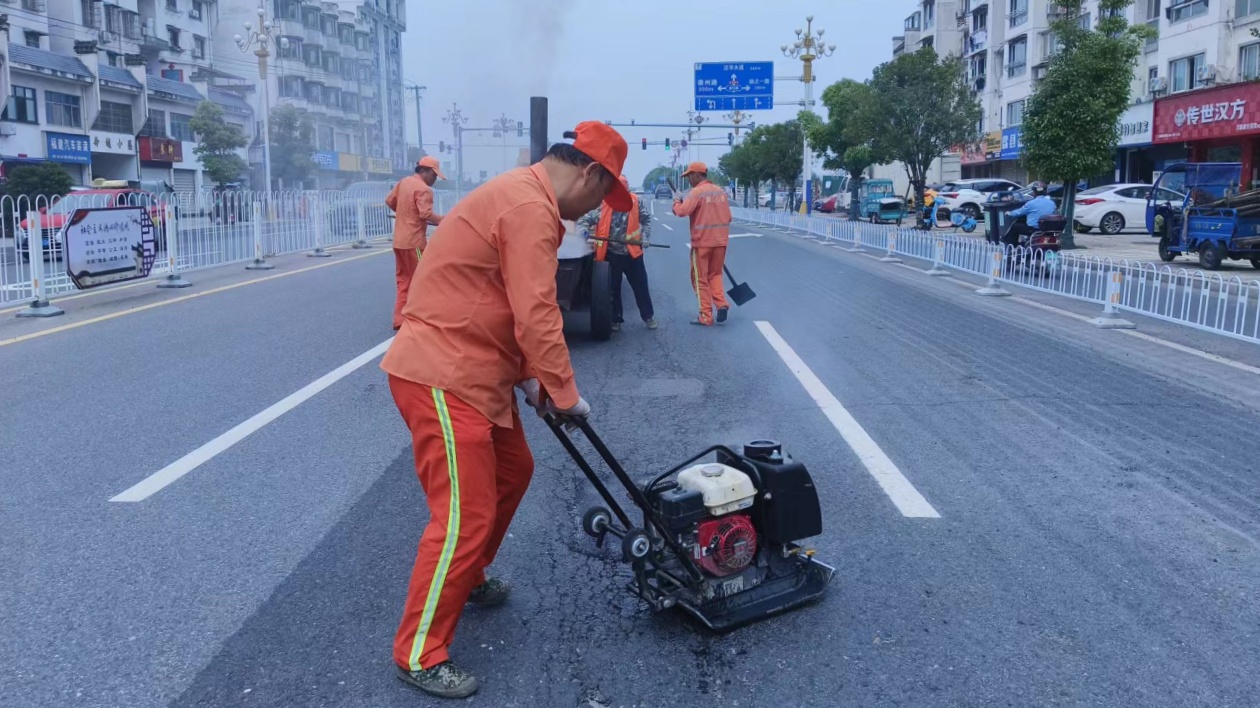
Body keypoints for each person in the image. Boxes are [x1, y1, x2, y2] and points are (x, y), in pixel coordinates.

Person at [379, 121, 632, 700]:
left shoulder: (526, 198)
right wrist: (563, 393)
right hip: (444, 375)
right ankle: (419, 652)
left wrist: (531, 380)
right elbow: (537, 312)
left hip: (479, 372)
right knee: (463, 518)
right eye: (604, 194)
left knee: (515, 470)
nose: (598, 209)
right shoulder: (528, 206)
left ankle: (467, 575)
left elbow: (495, 301)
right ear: (591, 174)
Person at [578, 175, 656, 331]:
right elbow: (585, 220)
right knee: (613, 289)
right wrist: (584, 231)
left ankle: (648, 317)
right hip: (611, 253)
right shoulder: (603, 203)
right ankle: (616, 320)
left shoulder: (635, 202)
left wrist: (646, 236)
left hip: (632, 253)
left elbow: (646, 219)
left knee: (640, 286)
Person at [384, 156, 445, 330]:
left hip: (399, 243)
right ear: (424, 171)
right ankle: (422, 318)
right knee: (421, 280)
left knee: (403, 281)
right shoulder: (424, 189)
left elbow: (389, 201)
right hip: (414, 244)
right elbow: (425, 214)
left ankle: (399, 319)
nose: (435, 179)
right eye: (434, 175)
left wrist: (405, 211)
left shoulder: (404, 182)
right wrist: (443, 220)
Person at [672, 161, 732, 326]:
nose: (689, 180)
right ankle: (721, 304)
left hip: (702, 243)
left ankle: (706, 315)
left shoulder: (697, 192)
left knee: (700, 279)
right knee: (716, 275)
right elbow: (728, 217)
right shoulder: (720, 192)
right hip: (720, 242)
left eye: (689, 176)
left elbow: (682, 211)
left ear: (697, 175)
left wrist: (677, 201)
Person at [1002, 181, 1056, 246]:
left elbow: (1019, 212)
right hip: (1047, 229)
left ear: (1034, 192)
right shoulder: (1052, 203)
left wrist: (1010, 213)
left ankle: (1012, 246)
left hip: (1034, 229)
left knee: (1015, 226)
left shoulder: (1031, 203)